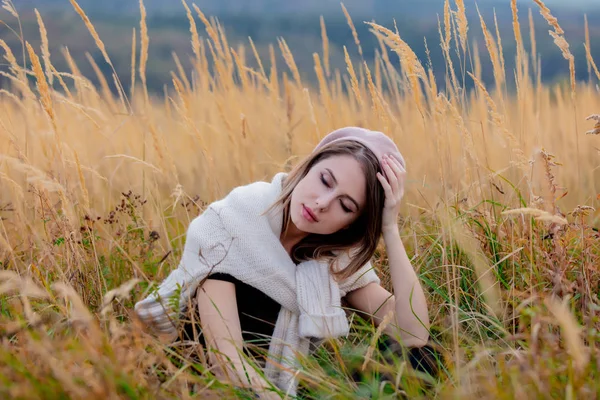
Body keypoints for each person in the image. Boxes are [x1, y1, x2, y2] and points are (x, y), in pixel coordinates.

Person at [134, 127, 430, 398]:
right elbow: (226, 362)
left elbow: (412, 333)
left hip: (287, 386)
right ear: (308, 166)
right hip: (210, 386)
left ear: (350, 224)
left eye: (345, 205)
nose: (322, 203)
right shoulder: (233, 222)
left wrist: (389, 229)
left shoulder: (337, 257)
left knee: (422, 361)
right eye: (325, 180)